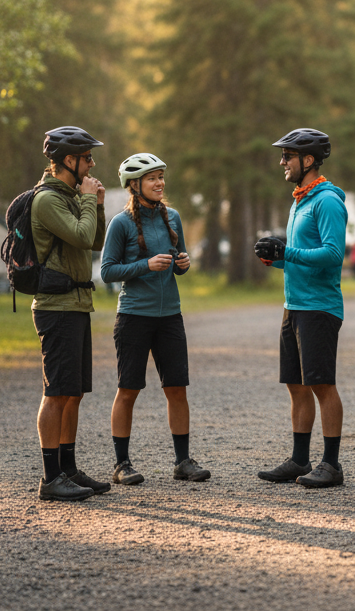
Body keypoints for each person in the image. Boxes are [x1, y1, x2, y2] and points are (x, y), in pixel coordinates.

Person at [99, 153, 210, 486]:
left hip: (170, 317)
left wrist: (183, 265)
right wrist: (145, 265)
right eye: (152, 178)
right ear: (135, 185)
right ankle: (122, 465)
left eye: (161, 177)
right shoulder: (120, 223)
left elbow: (181, 261)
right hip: (134, 317)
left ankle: (182, 462)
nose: (160, 183)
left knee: (177, 389)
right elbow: (107, 271)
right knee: (128, 389)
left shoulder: (172, 218)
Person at [254, 128, 349, 489]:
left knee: (322, 385)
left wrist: (287, 252)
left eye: (287, 156)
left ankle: (331, 464)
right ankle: (299, 459)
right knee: (296, 385)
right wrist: (275, 259)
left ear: (307, 160)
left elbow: (333, 254)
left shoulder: (326, 201)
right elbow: (301, 258)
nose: (282, 162)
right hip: (293, 306)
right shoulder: (300, 200)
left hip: (319, 308)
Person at [32, 126, 111, 502]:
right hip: (56, 307)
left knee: (74, 393)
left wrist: (96, 203)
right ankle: (51, 479)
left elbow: (95, 241)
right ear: (69, 160)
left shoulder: (72, 196)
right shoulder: (47, 200)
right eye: (87, 158)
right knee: (57, 393)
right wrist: (85, 201)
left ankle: (68, 467)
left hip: (78, 304)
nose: (93, 164)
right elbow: (80, 235)